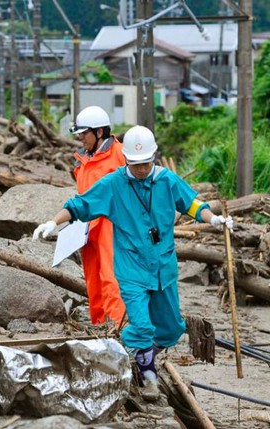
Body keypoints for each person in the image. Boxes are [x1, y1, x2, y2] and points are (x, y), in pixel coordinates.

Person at [33, 125, 234, 401]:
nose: (141, 169)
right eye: (136, 164)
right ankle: (148, 375)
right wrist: (53, 222)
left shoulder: (166, 180)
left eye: (146, 163)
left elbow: (192, 204)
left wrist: (214, 219)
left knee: (173, 328)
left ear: (155, 158)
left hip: (163, 267)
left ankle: (133, 352)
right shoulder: (113, 184)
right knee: (141, 326)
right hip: (131, 269)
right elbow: (80, 205)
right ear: (126, 159)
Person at [37, 105, 127, 327]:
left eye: (83, 133)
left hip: (112, 224)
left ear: (99, 132)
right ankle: (99, 326)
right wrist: (57, 222)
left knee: (112, 277)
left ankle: (119, 329)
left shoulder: (121, 155)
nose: (80, 138)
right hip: (87, 226)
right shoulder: (83, 160)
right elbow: (82, 197)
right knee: (93, 280)